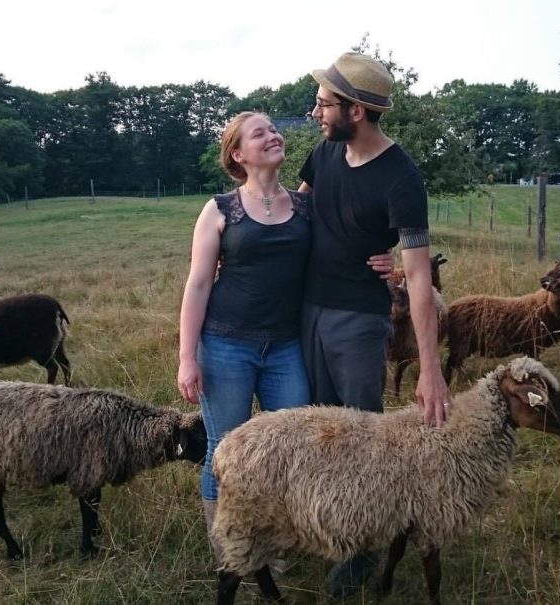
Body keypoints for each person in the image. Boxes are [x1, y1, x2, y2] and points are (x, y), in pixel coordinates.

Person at [177, 111, 393, 565]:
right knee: (226, 448)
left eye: (274, 129)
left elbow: (348, 242)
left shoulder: (306, 206)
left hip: (286, 348)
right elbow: (198, 284)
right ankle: (229, 553)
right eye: (261, 133)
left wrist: (389, 255)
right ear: (238, 154)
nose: (273, 135)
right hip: (224, 345)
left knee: (293, 449)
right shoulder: (220, 209)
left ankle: (279, 544)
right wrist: (187, 358)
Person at [298, 52, 451, 597]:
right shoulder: (323, 154)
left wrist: (429, 372)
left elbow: (416, 279)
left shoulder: (402, 179)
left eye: (324, 103)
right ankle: (325, 528)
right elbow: (299, 210)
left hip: (359, 322)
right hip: (306, 313)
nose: (316, 110)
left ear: (356, 111)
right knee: (318, 431)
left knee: (362, 438)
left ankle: (364, 549)